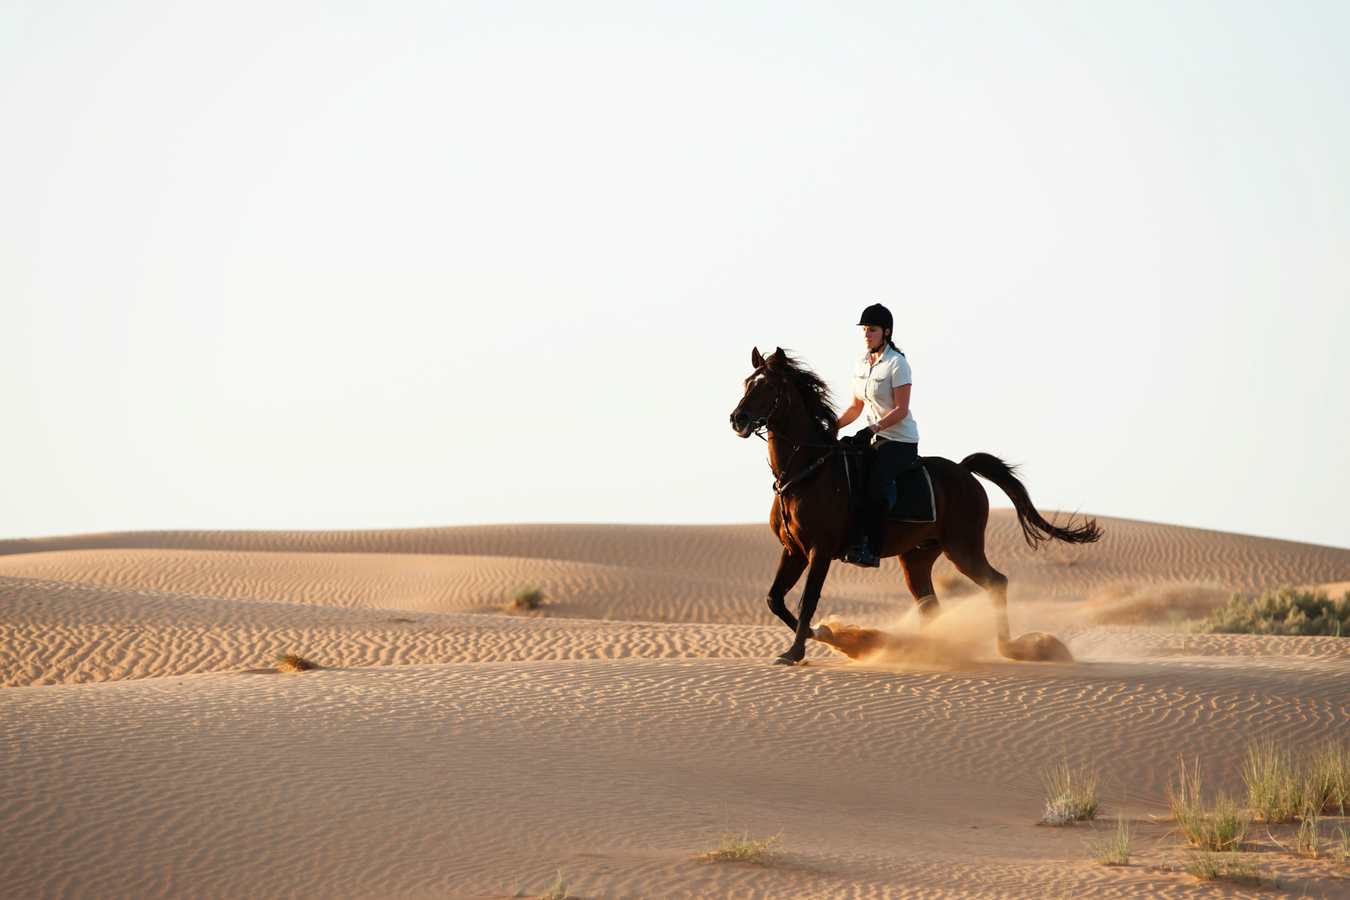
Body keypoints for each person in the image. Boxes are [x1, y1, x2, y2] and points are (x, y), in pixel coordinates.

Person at [835, 303, 919, 567]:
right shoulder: (861, 364)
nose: (866, 334)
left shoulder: (897, 364)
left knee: (874, 481)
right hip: (872, 437)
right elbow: (855, 407)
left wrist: (872, 428)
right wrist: (832, 427)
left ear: (886, 332)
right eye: (864, 330)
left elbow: (901, 410)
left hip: (899, 441)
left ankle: (871, 548)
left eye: (871, 329)